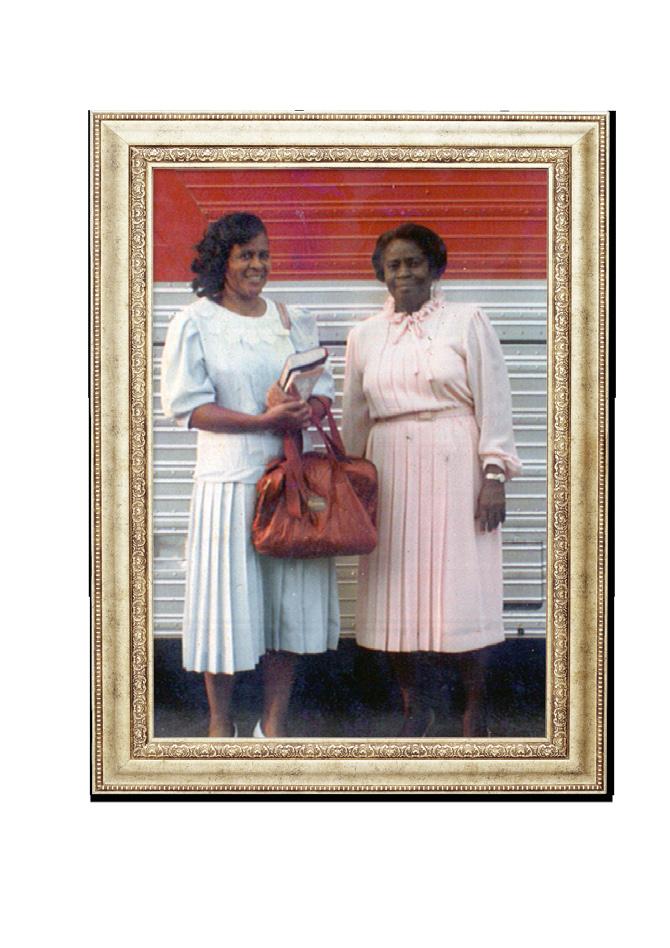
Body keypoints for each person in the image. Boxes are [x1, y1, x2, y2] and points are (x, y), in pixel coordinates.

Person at [161, 212, 339, 738]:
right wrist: (261, 421)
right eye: (246, 255)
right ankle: (221, 726)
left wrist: (307, 410)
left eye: (263, 254)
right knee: (223, 608)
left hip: (288, 479)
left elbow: (323, 391)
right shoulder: (195, 321)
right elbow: (187, 408)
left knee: (287, 607)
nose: (257, 264)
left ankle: (273, 726)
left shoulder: (291, 319)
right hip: (228, 483)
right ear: (223, 261)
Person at [342, 222, 521, 737]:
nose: (404, 273)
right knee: (395, 588)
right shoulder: (364, 335)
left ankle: (474, 712)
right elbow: (355, 415)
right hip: (391, 469)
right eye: (394, 265)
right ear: (381, 274)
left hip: (456, 461)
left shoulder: (466, 321)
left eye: (414, 262)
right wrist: (351, 481)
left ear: (435, 267)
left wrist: (494, 474)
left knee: (462, 588)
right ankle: (414, 709)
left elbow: (494, 400)